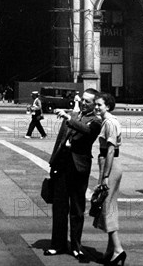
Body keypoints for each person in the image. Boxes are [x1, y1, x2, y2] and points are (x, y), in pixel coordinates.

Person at [44, 88, 101, 261]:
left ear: (94, 104)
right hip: (62, 166)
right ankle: (57, 244)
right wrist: (53, 162)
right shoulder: (74, 115)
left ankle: (76, 246)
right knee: (59, 207)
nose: (84, 103)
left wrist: (69, 117)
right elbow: (61, 140)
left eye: (88, 101)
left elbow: (86, 131)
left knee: (77, 208)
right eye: (83, 99)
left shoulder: (95, 121)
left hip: (78, 168)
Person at [93, 93, 125, 266]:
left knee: (107, 207)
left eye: (100, 105)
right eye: (96, 105)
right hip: (109, 164)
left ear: (108, 106)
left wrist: (105, 176)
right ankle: (110, 251)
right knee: (109, 206)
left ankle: (118, 250)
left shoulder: (110, 123)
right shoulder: (108, 121)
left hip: (110, 166)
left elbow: (111, 150)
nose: (97, 107)